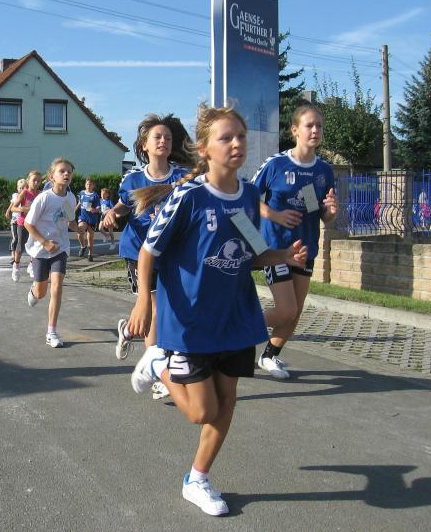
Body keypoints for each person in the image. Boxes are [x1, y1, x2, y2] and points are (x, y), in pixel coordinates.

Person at [126, 106, 308, 517]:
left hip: (234, 317)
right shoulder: (189, 196)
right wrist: (143, 303)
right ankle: (157, 364)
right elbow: (148, 251)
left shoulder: (249, 196)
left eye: (241, 136)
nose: (237, 143)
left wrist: (283, 255)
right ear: (205, 149)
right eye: (226, 138)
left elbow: (252, 253)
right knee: (202, 412)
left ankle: (198, 478)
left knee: (227, 404)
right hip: (189, 322)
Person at [100, 113, 194, 387]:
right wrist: (111, 214)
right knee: (154, 306)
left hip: (171, 252)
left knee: (166, 307)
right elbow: (124, 206)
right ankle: (157, 372)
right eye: (157, 137)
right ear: (144, 145)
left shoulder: (182, 177)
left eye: (168, 137)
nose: (163, 141)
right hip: (138, 252)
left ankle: (128, 330)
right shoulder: (133, 180)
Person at [251, 104, 338, 380]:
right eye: (309, 125)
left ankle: (268, 356)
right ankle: (236, 325)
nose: (315, 130)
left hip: (305, 250)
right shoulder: (276, 165)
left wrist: (330, 211)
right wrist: (274, 215)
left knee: (295, 312)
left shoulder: (323, 170)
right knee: (286, 309)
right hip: (275, 248)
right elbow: (249, 198)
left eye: (319, 126)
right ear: (295, 130)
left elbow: (319, 213)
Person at [24, 158, 78, 349]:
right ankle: (34, 290)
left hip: (60, 248)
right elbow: (28, 224)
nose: (66, 174)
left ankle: (51, 332)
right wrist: (45, 242)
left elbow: (69, 221)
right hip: (41, 249)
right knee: (41, 292)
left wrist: (78, 227)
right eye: (62, 171)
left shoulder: (71, 198)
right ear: (52, 176)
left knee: (57, 286)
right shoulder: (44, 198)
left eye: (69, 171)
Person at [14, 171, 43, 280]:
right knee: (20, 246)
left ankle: (31, 265)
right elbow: (13, 207)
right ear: (28, 181)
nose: (36, 183)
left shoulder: (41, 194)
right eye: (34, 180)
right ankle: (16, 266)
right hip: (23, 223)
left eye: (38, 181)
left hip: (34, 223)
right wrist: (22, 209)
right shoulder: (24, 193)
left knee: (35, 245)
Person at [76, 177, 100, 261]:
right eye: (87, 184)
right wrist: (74, 211)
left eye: (90, 184)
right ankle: (83, 246)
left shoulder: (95, 195)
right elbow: (79, 203)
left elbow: (98, 208)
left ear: (93, 185)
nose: (88, 185)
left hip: (92, 218)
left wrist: (95, 210)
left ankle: (90, 254)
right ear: (85, 185)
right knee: (79, 232)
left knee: (90, 238)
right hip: (83, 217)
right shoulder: (81, 193)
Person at [8, 178, 27, 282]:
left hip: (25, 221)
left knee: (24, 240)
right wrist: (8, 211)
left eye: (24, 187)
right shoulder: (15, 195)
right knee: (16, 238)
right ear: (17, 188)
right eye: (20, 188)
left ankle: (32, 263)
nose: (22, 189)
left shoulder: (28, 195)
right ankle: (13, 256)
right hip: (15, 220)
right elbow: (12, 205)